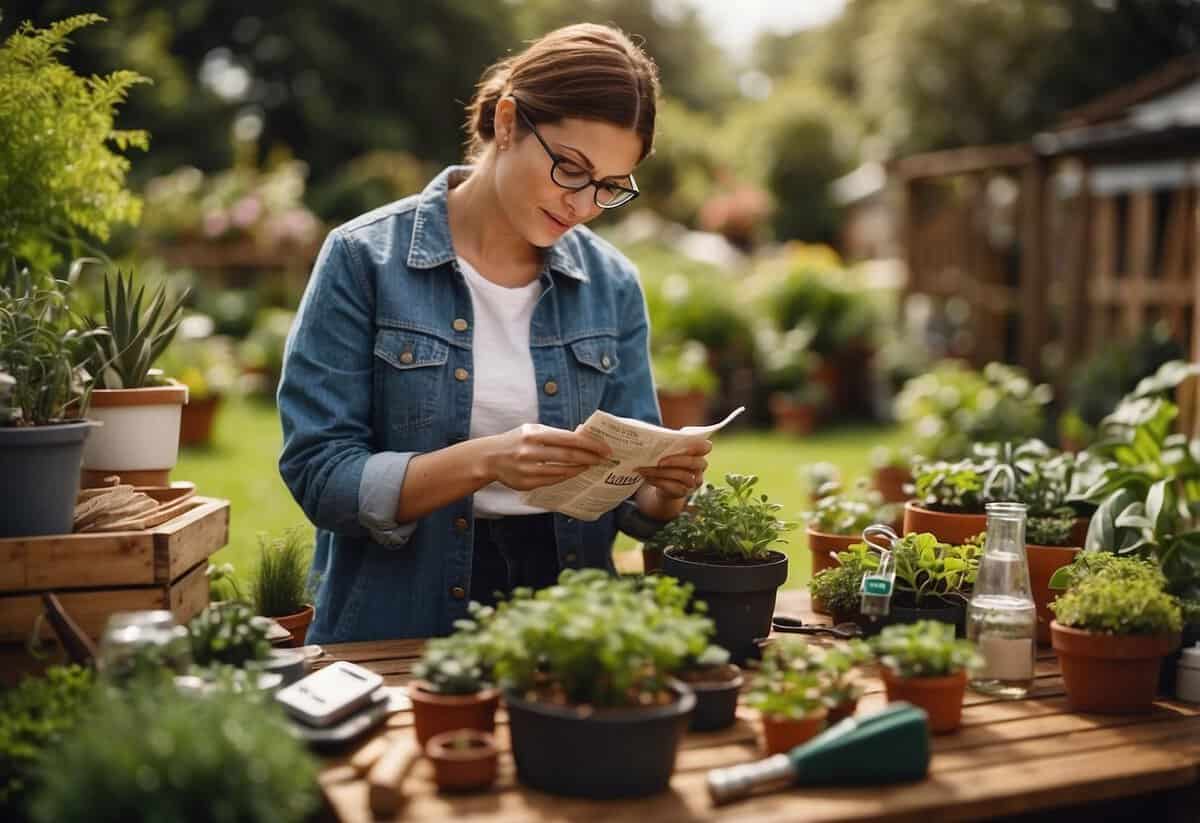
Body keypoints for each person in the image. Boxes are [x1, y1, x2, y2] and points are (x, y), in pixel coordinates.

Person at [278, 23, 711, 643]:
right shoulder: (364, 258)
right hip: (401, 609)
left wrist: (663, 493)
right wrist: (487, 460)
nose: (583, 205)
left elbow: (628, 492)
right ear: (507, 123)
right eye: (570, 168)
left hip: (571, 618)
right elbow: (322, 476)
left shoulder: (611, 283)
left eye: (609, 187)